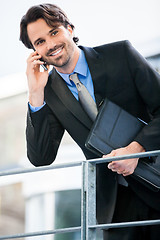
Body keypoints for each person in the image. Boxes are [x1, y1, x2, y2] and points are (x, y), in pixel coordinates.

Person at [19, 3, 160, 240]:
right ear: (35, 52)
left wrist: (136, 150)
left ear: (70, 29)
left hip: (156, 179)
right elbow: (41, 157)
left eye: (54, 32)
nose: (50, 44)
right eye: (39, 42)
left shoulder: (121, 55)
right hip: (115, 209)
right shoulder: (49, 93)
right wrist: (35, 94)